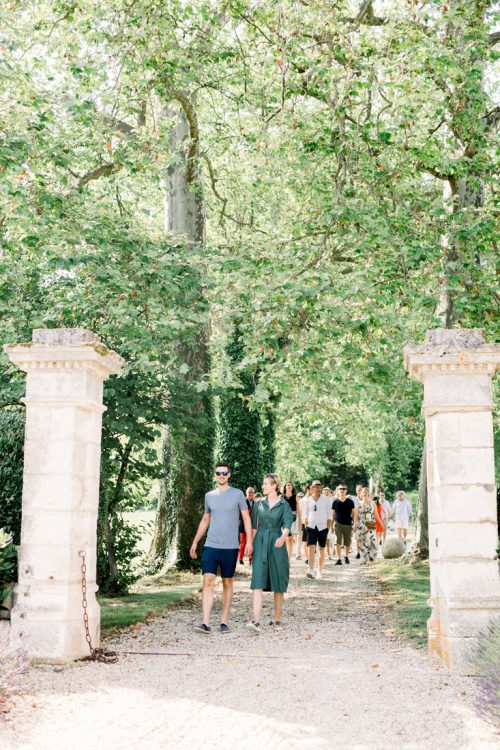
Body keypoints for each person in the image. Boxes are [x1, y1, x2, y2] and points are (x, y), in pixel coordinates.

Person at [190, 462, 252, 634]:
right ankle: (205, 623)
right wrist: (195, 541)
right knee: (208, 580)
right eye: (219, 473)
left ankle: (224, 622)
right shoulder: (209, 496)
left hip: (230, 547)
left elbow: (246, 519)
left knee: (227, 582)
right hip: (211, 545)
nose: (222, 475)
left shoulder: (238, 494)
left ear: (229, 475)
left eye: (225, 473)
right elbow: (205, 519)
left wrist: (249, 542)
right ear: (215, 475)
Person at [247, 474, 293, 634]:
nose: (263, 486)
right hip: (260, 542)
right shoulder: (259, 504)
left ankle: (277, 618)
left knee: (278, 580)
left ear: (274, 486)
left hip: (276, 542)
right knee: (258, 580)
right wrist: (250, 544)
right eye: (263, 483)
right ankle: (256, 621)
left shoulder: (284, 505)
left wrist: (282, 537)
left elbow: (287, 523)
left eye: (266, 483)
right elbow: (254, 526)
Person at [304, 480, 332, 580]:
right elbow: (306, 513)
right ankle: (311, 570)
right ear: (312, 488)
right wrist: (306, 522)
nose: (318, 488)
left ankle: (320, 570)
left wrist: (328, 526)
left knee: (321, 548)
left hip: (323, 526)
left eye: (319, 486)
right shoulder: (308, 500)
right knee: (311, 547)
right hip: (311, 526)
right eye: (316, 486)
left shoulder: (326, 499)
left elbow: (329, 514)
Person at [332, 484, 356, 564]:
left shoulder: (350, 502)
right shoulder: (335, 502)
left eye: (343, 489)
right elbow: (333, 514)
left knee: (347, 542)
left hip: (348, 524)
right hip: (337, 524)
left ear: (346, 490)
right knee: (337, 541)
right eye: (340, 489)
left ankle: (346, 556)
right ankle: (339, 559)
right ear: (338, 490)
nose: (342, 490)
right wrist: (331, 525)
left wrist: (354, 524)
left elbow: (353, 514)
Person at [355, 487, 377, 565]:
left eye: (366, 492)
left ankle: (372, 557)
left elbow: (376, 515)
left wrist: (382, 524)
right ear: (361, 494)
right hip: (361, 523)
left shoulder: (373, 503)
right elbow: (356, 516)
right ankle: (364, 558)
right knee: (362, 541)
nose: (364, 493)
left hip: (371, 522)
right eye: (363, 492)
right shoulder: (358, 503)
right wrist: (355, 525)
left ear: (368, 493)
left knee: (371, 541)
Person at [283, 480, 300, 560]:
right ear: (285, 487)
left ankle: (288, 559)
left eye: (290, 485)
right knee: (285, 538)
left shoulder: (295, 496)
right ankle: (284, 557)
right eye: (287, 485)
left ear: (292, 487)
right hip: (284, 519)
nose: (289, 486)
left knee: (290, 539)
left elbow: (298, 510)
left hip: (293, 518)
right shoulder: (281, 497)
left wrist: (300, 522)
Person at [238, 487, 255, 565]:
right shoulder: (242, 502)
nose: (251, 494)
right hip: (243, 526)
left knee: (251, 543)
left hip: (252, 526)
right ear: (246, 493)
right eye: (249, 492)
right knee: (243, 543)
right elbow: (240, 515)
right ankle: (240, 558)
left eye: (252, 492)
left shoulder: (256, 503)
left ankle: (250, 559)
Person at [323, 487, 335, 560]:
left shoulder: (332, 502)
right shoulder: (320, 501)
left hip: (329, 521)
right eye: (325, 493)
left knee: (328, 538)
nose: (326, 494)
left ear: (330, 494)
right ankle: (323, 552)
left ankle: (329, 552)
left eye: (327, 493)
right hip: (321, 521)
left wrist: (332, 524)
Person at [300, 485, 311, 562]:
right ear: (307, 489)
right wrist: (301, 524)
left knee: (312, 542)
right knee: (305, 541)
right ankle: (307, 558)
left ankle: (311, 557)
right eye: (311, 489)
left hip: (313, 523)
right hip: (304, 522)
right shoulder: (302, 500)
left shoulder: (314, 499)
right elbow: (300, 512)